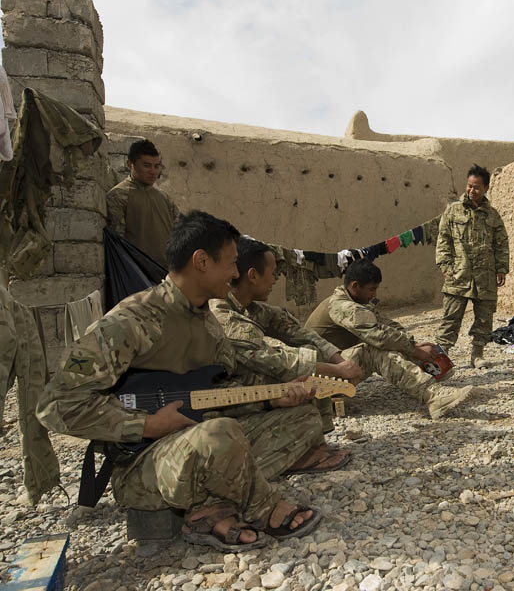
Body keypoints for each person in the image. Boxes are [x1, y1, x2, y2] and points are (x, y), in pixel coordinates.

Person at [37, 211, 327, 552]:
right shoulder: (131, 322)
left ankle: (210, 505)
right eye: (231, 264)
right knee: (221, 435)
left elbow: (214, 394)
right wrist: (146, 424)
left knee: (303, 418)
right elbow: (56, 405)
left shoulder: (206, 323)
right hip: (143, 467)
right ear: (201, 261)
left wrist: (270, 400)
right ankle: (263, 507)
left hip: (198, 442)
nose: (236, 274)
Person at [211, 237, 366, 471]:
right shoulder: (224, 315)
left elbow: (299, 333)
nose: (275, 280)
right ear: (252, 275)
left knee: (311, 355)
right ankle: (297, 451)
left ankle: (314, 443)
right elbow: (275, 360)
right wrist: (336, 371)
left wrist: (341, 361)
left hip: (244, 390)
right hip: (220, 401)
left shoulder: (251, 308)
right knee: (298, 377)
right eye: (273, 273)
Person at [306, 259, 474, 419]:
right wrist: (414, 351)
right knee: (372, 350)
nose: (374, 294)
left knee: (395, 342)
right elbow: (379, 336)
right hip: (316, 382)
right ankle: (432, 395)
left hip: (331, 370)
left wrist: (414, 345)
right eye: (371, 289)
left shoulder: (356, 301)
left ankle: (431, 374)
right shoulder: (342, 306)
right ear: (355, 286)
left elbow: (386, 325)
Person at [435, 165, 509, 368]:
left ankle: (477, 354)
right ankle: (439, 356)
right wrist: (445, 265)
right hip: (458, 274)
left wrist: (501, 268)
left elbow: (501, 243)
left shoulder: (492, 215)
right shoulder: (453, 211)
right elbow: (443, 239)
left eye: (476, 187)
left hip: (485, 276)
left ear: (485, 188)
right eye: (469, 186)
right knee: (451, 318)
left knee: (484, 319)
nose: (471, 191)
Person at [106, 139, 180, 266]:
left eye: (156, 166)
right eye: (146, 165)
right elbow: (118, 243)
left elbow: (179, 234)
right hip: (138, 274)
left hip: (168, 274)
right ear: (130, 164)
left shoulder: (165, 198)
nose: (153, 171)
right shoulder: (119, 195)